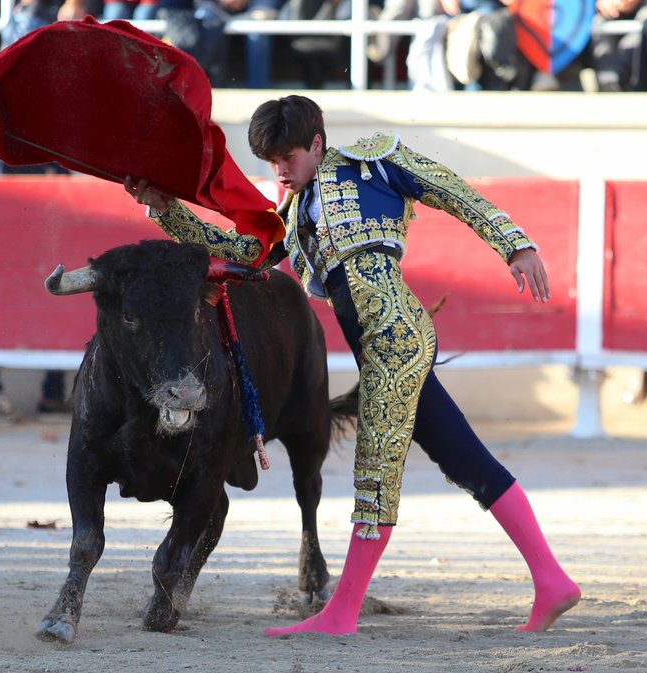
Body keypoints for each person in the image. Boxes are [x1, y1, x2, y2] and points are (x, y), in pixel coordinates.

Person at [124, 94, 579, 635]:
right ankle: (552, 581)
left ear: (318, 144)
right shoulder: (293, 214)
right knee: (465, 460)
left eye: (288, 156)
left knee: (375, 475)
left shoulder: (373, 161)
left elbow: (451, 188)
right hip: (382, 345)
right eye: (271, 161)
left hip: (395, 338)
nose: (280, 170)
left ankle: (340, 614)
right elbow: (238, 253)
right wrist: (163, 207)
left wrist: (515, 245)